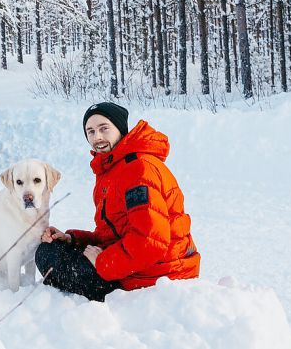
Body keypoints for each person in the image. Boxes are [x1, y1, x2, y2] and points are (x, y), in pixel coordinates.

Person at [35, 102, 200, 301]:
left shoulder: (138, 170)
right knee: (55, 247)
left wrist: (103, 263)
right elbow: (115, 233)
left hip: (158, 273)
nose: (97, 137)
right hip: (142, 263)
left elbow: (150, 242)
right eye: (91, 131)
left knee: (48, 257)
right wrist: (73, 239)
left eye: (104, 128)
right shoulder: (114, 168)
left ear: (120, 129)